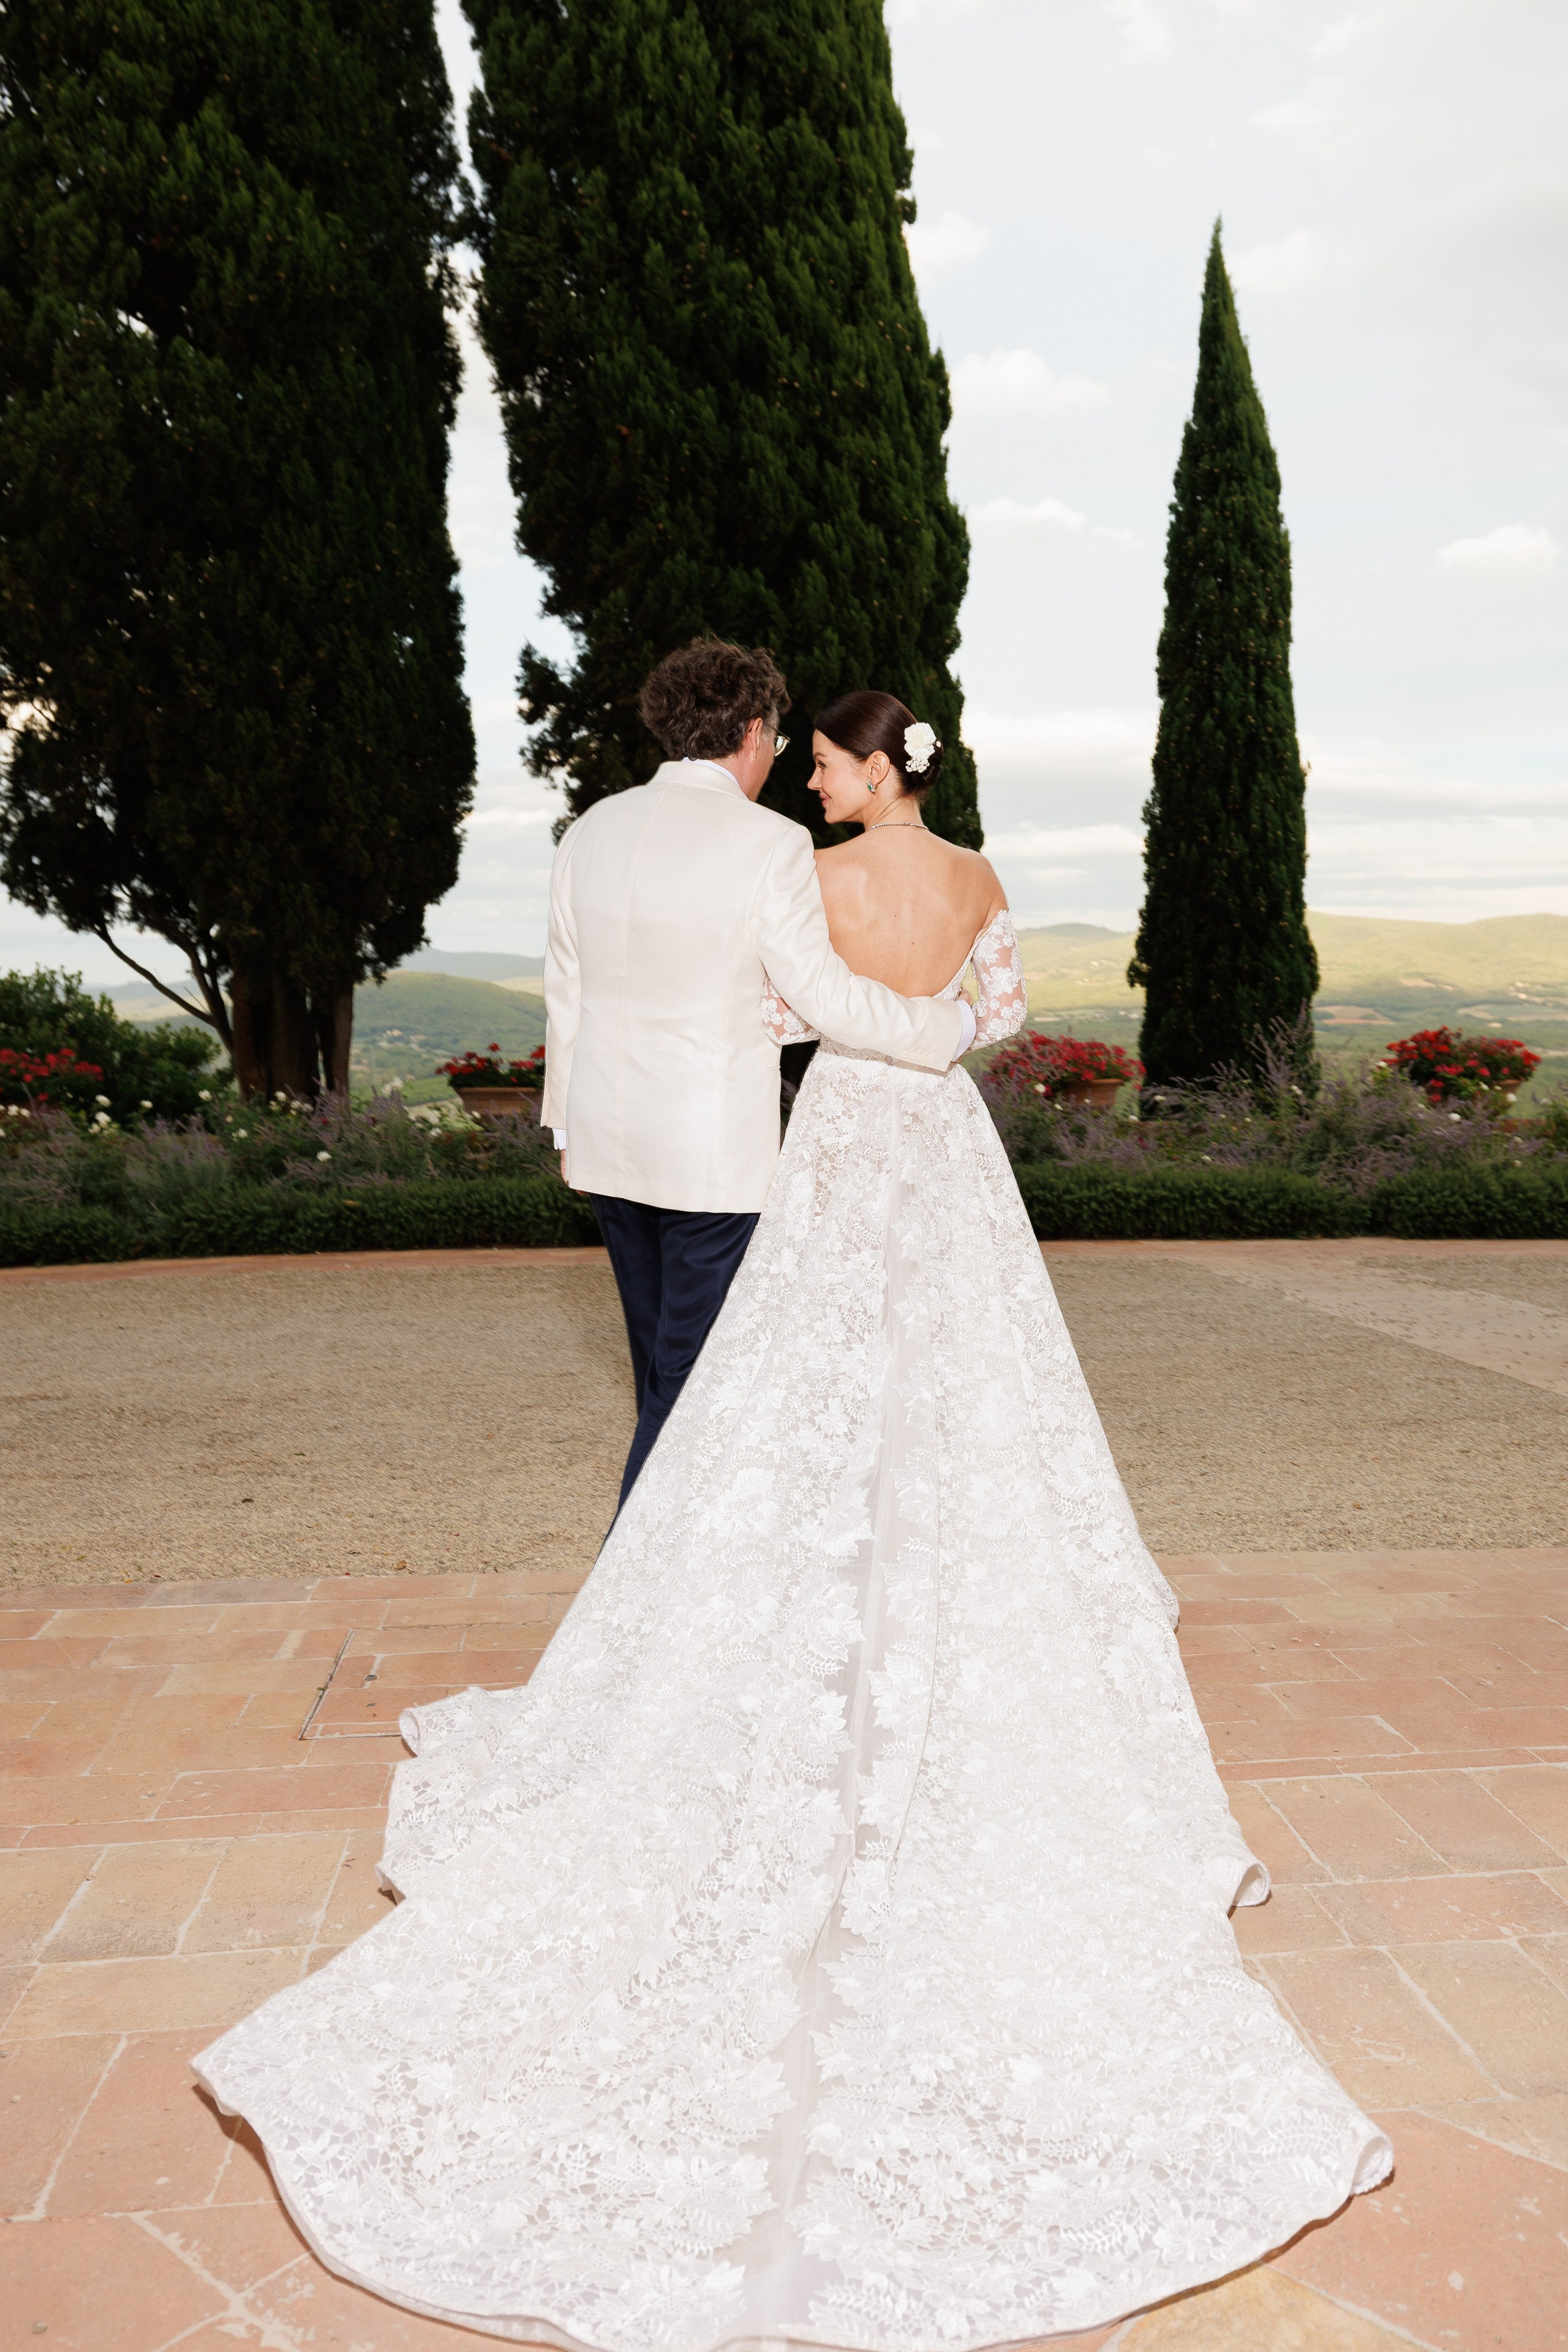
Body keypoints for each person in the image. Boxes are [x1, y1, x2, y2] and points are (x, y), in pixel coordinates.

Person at [197, 688, 1389, 2351]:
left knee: (777, 1403)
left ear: (877, 762)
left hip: (835, 1138)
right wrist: (918, 1033)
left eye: (833, 758)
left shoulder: (802, 879)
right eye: (810, 757)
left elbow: (774, 1014)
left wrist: (820, 1032)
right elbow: (993, 1020)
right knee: (962, 1398)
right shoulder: (972, 879)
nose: (816, 778)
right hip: (947, 1153)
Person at [538, 639, 975, 1506]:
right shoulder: (770, 843)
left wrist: (563, 1124)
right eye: (778, 744)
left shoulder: (591, 829)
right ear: (748, 731)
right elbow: (824, 999)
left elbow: (567, 992)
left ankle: (672, 1586)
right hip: (710, 1163)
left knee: (662, 1373)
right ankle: (633, 1602)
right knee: (695, 1391)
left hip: (605, 1149)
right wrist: (942, 1026)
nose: (778, 763)